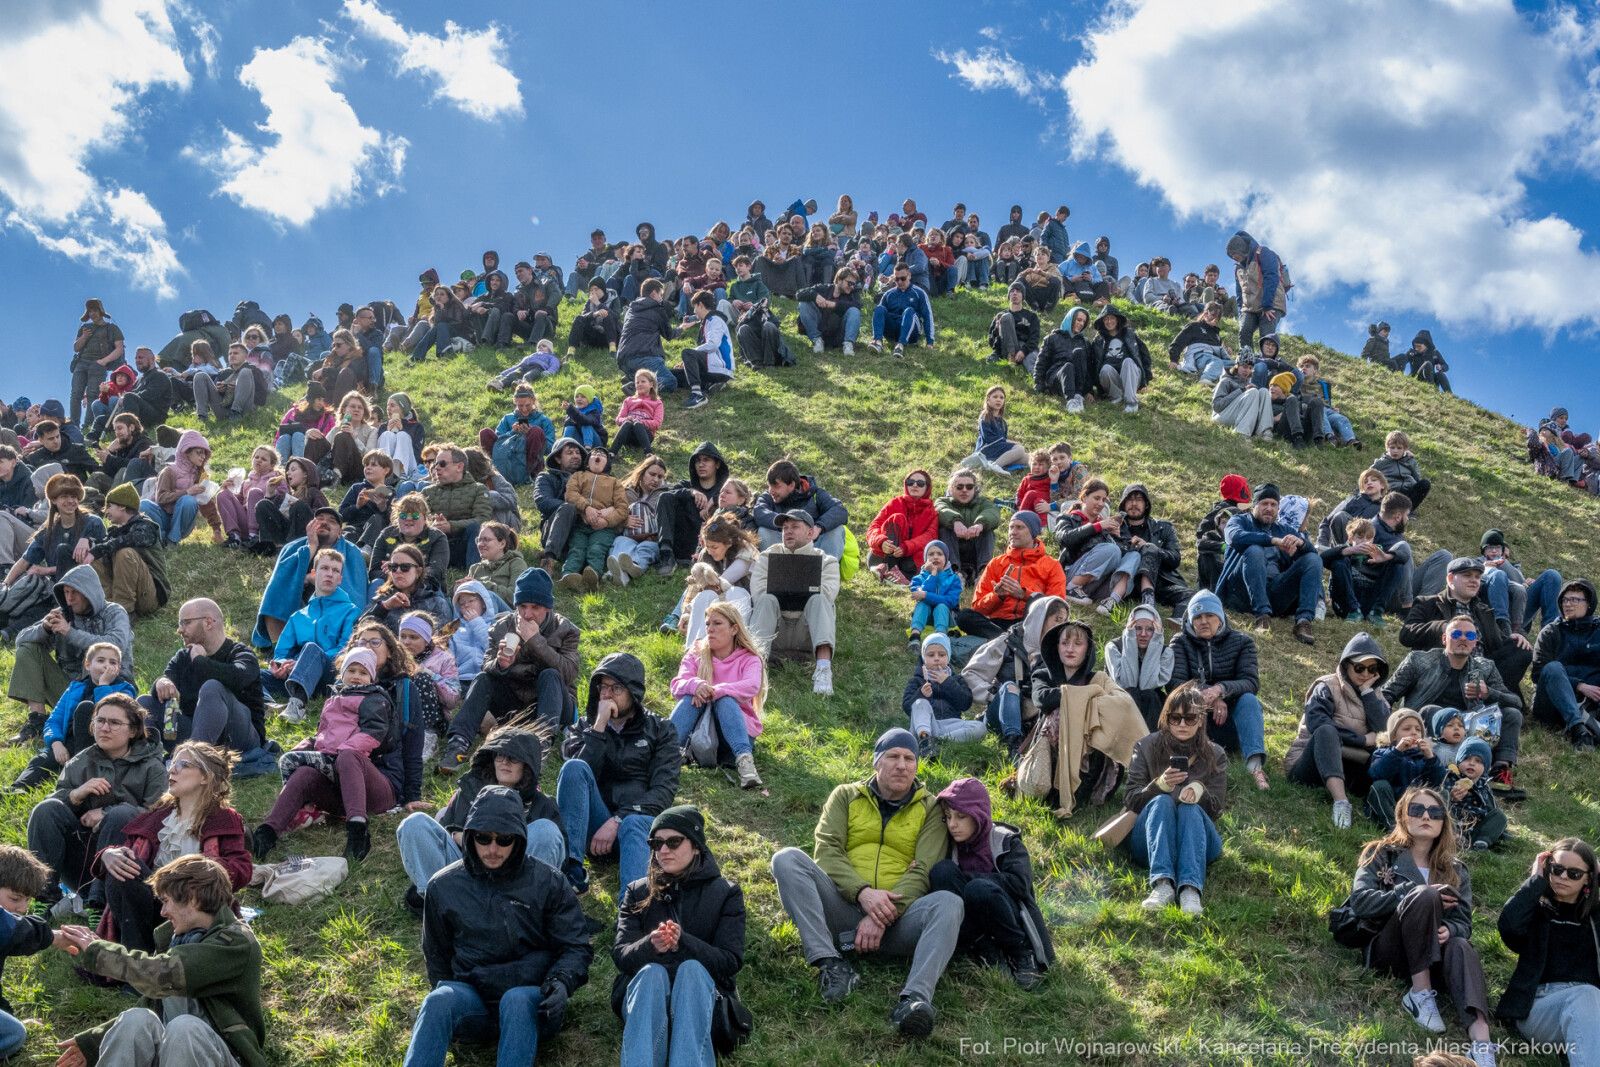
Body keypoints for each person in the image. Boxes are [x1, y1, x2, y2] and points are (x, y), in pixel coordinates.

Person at [768, 728, 961, 1038]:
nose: (902, 765)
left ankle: (913, 1000)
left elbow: (924, 868)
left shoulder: (930, 808)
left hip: (899, 923)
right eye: (893, 756)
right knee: (787, 858)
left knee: (950, 902)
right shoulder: (845, 795)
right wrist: (863, 894)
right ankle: (832, 964)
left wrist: (882, 913)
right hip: (842, 907)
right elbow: (827, 851)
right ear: (876, 762)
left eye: (910, 758)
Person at [407, 785, 592, 1067]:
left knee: (516, 1001)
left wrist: (561, 983)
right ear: (470, 836)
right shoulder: (442, 886)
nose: (492, 849)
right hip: (473, 999)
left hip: (532, 999)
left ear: (518, 839)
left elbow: (575, 946)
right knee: (438, 999)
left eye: (504, 839)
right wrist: (454, 997)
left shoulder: (549, 882)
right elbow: (437, 954)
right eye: (483, 838)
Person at [55, 854, 267, 1067]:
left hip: (227, 1057)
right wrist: (91, 1043)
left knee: (185, 1028)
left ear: (193, 898)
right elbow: (153, 1004)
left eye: (166, 902)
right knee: (136, 1018)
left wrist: (98, 950)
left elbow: (161, 974)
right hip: (177, 1053)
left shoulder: (236, 942)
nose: (163, 912)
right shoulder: (180, 940)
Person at [1345, 786, 1494, 1063]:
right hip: (1390, 950)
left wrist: (1450, 930)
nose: (1426, 816)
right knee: (1425, 893)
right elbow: (1361, 901)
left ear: (1443, 822)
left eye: (1435, 812)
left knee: (1461, 945)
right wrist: (1411, 892)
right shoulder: (1381, 853)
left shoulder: (1456, 869)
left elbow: (1464, 923)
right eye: (1417, 810)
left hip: (1436, 955)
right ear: (1403, 816)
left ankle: (1482, 1042)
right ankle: (1420, 993)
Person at [612, 804, 748, 1067]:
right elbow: (621, 957)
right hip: (645, 999)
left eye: (673, 842)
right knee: (652, 972)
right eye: (656, 843)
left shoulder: (726, 893)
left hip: (702, 999)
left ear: (696, 845)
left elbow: (730, 962)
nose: (663, 850)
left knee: (692, 971)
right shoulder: (637, 892)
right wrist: (649, 945)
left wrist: (684, 942)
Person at [93, 741, 251, 952]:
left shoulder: (223, 818)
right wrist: (108, 855)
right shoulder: (159, 814)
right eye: (172, 763)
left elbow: (241, 870)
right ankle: (136, 960)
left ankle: (149, 961)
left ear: (205, 777)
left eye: (183, 764)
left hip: (194, 908)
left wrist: (197, 870)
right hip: (152, 906)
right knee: (122, 866)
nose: (172, 770)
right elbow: (131, 855)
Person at [398, 725, 564, 913]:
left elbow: (555, 855)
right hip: (464, 882)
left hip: (516, 890)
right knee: (414, 823)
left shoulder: (542, 804)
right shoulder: (469, 792)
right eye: (499, 755)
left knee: (546, 831)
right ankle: (448, 910)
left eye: (514, 757)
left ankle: (518, 914)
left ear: (527, 764)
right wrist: (458, 837)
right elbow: (442, 836)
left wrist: (477, 838)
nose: (505, 762)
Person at [556, 651, 681, 894]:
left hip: (638, 827)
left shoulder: (661, 729)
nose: (607, 694)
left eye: (616, 688)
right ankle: (571, 871)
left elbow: (663, 791)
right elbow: (576, 779)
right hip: (593, 825)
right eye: (603, 687)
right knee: (574, 767)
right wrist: (599, 727)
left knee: (633, 823)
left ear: (633, 693)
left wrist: (618, 820)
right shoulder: (584, 728)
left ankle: (631, 913)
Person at [26, 692, 164, 907]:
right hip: (82, 860)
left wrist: (107, 813)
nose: (105, 728)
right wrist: (76, 794)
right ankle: (45, 896)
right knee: (46, 809)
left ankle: (99, 904)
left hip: (130, 864)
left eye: (115, 722)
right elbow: (52, 811)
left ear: (133, 730)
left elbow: (159, 816)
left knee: (120, 813)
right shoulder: (80, 762)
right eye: (100, 720)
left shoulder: (152, 767)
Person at [437, 567, 580, 772]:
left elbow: (569, 673)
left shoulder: (566, 629)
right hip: (515, 705)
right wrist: (501, 664)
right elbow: (487, 665)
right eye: (522, 606)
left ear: (548, 607)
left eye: (535, 607)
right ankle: (458, 745)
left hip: (554, 705)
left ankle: (540, 747)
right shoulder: (501, 627)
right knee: (484, 678)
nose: (527, 614)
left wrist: (535, 640)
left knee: (551, 674)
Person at [928, 777, 1051, 989]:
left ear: (979, 816)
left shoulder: (1006, 841)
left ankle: (1021, 954)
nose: (952, 825)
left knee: (979, 890)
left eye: (961, 817)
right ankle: (987, 951)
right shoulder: (948, 845)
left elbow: (1019, 884)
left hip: (1009, 916)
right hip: (973, 923)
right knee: (941, 872)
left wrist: (969, 879)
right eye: (947, 817)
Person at [1119, 684, 1228, 915]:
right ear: (1166, 719)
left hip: (1198, 842)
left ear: (1201, 719)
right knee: (1161, 801)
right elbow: (1130, 799)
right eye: (1175, 717)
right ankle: (1163, 884)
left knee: (1190, 809)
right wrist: (1159, 786)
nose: (1181, 724)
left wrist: (1200, 791)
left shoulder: (1215, 753)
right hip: (1151, 839)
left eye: (1189, 718)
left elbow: (1217, 810)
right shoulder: (1146, 746)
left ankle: (1190, 889)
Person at [1496, 838, 1600, 1067]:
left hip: (1592, 1010)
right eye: (1557, 869)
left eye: (1574, 873)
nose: (1563, 877)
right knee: (1585, 995)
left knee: (1589, 998)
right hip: (1539, 1008)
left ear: (1588, 878)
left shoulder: (1595, 919)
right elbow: (1508, 927)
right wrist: (1535, 882)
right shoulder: (1536, 912)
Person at [8, 562, 131, 746]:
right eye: (66, 593)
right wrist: (44, 629)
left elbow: (116, 644)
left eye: (74, 592)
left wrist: (69, 632)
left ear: (89, 591)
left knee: (93, 661)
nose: (70, 599)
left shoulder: (114, 612)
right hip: (69, 693)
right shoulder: (62, 614)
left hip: (111, 692)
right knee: (28, 648)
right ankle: (37, 721)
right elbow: (20, 640)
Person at [1286, 634, 1390, 828]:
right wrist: (1361, 740)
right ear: (1346, 666)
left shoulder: (1377, 698)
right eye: (1359, 668)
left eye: (1372, 669)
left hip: (1352, 766)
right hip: (1309, 765)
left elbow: (1385, 732)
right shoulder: (1325, 686)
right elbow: (1317, 723)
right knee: (1326, 730)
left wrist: (1368, 693)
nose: (1365, 674)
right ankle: (1341, 802)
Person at [1169, 590, 1270, 790]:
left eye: (1210, 616)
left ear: (1220, 618)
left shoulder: (1242, 642)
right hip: (1195, 721)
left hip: (1231, 721)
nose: (1204, 621)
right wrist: (1208, 695)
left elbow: (1250, 682)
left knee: (1250, 700)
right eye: (1198, 617)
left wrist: (1220, 689)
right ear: (1190, 620)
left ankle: (1255, 767)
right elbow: (1175, 683)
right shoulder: (1179, 642)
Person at [141, 598, 265, 754]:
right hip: (197, 735)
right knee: (145, 702)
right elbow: (166, 681)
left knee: (212, 688)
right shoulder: (182, 657)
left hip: (239, 740)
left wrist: (201, 661)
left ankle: (192, 760)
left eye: (186, 623)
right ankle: (146, 761)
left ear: (208, 622)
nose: (180, 629)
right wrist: (162, 682)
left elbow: (236, 678)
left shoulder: (242, 654)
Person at [9, 641, 134, 793]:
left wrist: (103, 686)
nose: (106, 666)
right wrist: (56, 743)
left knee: (86, 708)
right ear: (88, 665)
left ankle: (79, 769)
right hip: (70, 742)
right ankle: (17, 789)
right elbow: (54, 720)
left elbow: (111, 715)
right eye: (100, 660)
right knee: (40, 760)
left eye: (112, 662)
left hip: (99, 746)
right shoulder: (75, 688)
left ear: (118, 669)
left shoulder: (126, 690)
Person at [668, 601, 767, 789]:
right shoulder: (696, 652)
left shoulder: (750, 658)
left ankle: (745, 763)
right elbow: (677, 684)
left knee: (726, 700)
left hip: (732, 739)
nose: (710, 629)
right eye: (707, 624)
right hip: (699, 737)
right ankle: (665, 755)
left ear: (734, 629)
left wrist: (716, 691)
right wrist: (696, 685)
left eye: (717, 623)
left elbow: (751, 686)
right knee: (690, 697)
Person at [1401, 556, 1533, 693]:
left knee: (1521, 650)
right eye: (1467, 575)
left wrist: (1514, 638)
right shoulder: (1428, 603)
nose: (1474, 581)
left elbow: (1497, 643)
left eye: (1477, 577)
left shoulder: (1484, 611)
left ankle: (1491, 696)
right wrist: (1441, 627)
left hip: (1480, 672)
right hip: (1444, 672)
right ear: (1450, 579)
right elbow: (1406, 634)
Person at [259, 548, 361, 723]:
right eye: (325, 568)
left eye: (335, 571)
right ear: (314, 573)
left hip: (329, 674)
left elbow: (345, 649)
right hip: (295, 676)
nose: (329, 574)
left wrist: (301, 663)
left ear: (340, 579)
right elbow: (281, 652)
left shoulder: (351, 611)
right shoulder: (298, 617)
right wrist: (283, 665)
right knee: (252, 670)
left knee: (311, 649)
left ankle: (296, 707)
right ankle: (268, 705)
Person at [749, 511, 840, 696]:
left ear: (810, 533)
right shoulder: (767, 557)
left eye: (795, 527)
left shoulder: (827, 562)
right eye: (785, 528)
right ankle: (754, 671)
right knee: (766, 600)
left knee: (820, 600)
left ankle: (823, 670)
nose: (788, 532)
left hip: (807, 632)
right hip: (775, 630)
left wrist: (791, 584)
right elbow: (758, 593)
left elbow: (828, 594)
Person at [1219, 483, 1321, 644]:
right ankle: (1262, 616)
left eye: (1273, 504)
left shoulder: (1285, 530)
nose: (1269, 508)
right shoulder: (1239, 520)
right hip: (1240, 592)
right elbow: (1235, 537)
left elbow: (1312, 560)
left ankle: (1303, 621)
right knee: (1254, 550)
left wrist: (1302, 544)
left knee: (1313, 559)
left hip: (1274, 593)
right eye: (1264, 503)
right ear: (1255, 505)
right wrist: (1272, 541)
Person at [954, 512, 1065, 640]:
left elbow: (1057, 607)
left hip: (1029, 621)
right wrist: (997, 596)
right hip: (996, 623)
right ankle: (1009, 641)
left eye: (1019, 527)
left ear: (1033, 532)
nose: (1013, 532)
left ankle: (1003, 641)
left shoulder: (1052, 565)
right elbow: (978, 607)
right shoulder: (996, 563)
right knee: (964, 616)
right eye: (1011, 527)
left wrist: (1025, 595)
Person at [1531, 579, 1600, 748]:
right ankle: (1579, 729)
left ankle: (1588, 722)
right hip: (1553, 704)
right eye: (1565, 600)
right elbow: (1539, 674)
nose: (1568, 604)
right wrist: (1579, 685)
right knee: (1553, 668)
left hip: (1593, 701)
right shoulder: (1550, 632)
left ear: (1589, 604)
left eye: (1575, 600)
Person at [90, 482, 168, 620]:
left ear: (122, 507)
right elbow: (102, 547)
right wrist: (88, 544)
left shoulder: (146, 526)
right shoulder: (117, 532)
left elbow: (130, 539)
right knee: (96, 557)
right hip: (130, 592)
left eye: (109, 506)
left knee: (125, 553)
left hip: (151, 595)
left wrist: (100, 548)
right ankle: (109, 608)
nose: (106, 511)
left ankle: (124, 612)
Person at [902, 632, 980, 760]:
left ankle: (937, 742)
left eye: (942, 654)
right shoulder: (916, 681)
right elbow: (907, 707)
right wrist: (920, 694)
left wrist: (947, 682)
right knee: (920, 703)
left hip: (952, 726)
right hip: (926, 726)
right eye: (931, 655)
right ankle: (925, 739)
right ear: (923, 657)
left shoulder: (957, 679)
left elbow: (965, 703)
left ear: (948, 657)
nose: (936, 658)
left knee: (979, 727)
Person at [752, 460, 849, 561]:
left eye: (776, 486)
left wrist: (819, 527)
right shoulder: (768, 496)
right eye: (769, 486)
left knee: (837, 529)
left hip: (814, 548)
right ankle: (777, 572)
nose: (771, 491)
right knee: (764, 531)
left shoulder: (815, 494)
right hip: (783, 549)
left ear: (792, 485)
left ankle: (824, 571)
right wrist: (787, 527)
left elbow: (839, 510)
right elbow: (759, 512)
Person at [1322, 513, 1406, 626]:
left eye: (1369, 538)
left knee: (1397, 565)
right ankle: (1354, 611)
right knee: (1339, 562)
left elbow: (1404, 556)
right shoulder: (1346, 553)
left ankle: (1376, 612)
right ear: (1351, 539)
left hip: (1368, 604)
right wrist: (1350, 550)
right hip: (1346, 606)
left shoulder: (1378, 554)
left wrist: (1386, 557)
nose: (1365, 541)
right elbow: (1322, 558)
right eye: (1360, 537)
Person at [1479, 528, 1564, 637]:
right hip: (1492, 613)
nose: (1494, 551)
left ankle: (1551, 632)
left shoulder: (1512, 568)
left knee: (1552, 575)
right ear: (1483, 550)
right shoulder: (1476, 564)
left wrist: (1504, 565)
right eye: (1490, 548)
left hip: (1517, 614)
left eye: (1498, 548)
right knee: (1498, 575)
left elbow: (1521, 588)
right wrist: (1485, 570)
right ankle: (1502, 624)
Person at [422, 445, 493, 572]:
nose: (436, 467)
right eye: (435, 463)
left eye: (442, 464)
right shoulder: (427, 492)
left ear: (459, 466)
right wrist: (434, 524)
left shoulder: (478, 489)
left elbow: (483, 519)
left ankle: (474, 574)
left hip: (464, 547)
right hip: (436, 544)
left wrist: (450, 526)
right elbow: (421, 519)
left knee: (476, 528)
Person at [1105, 603, 1175, 730]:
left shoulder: (1166, 653)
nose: (1143, 634)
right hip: (1120, 702)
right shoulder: (1114, 648)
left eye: (1150, 629)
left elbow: (1146, 685)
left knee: (1150, 695)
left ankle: (1152, 745)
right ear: (1129, 628)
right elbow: (1128, 683)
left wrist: (1155, 644)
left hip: (1152, 707)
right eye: (1137, 628)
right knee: (1132, 693)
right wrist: (1130, 640)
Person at [867, 469, 937, 585]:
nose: (915, 485)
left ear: (927, 488)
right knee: (897, 518)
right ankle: (889, 568)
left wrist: (906, 547)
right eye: (911, 482)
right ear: (906, 484)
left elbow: (930, 537)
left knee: (923, 552)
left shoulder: (932, 513)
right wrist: (881, 541)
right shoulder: (894, 503)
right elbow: (873, 527)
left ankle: (889, 573)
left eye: (920, 483)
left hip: (909, 560)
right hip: (882, 556)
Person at [934, 468, 1000, 587]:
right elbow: (941, 509)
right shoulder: (943, 501)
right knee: (945, 530)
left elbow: (992, 513)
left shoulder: (983, 502)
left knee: (987, 531)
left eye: (969, 487)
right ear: (951, 489)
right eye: (959, 487)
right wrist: (955, 522)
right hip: (953, 551)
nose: (964, 490)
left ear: (975, 489)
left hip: (976, 551)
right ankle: (954, 573)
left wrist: (980, 525)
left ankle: (983, 573)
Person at [361, 543, 450, 632]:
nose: (398, 571)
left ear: (419, 571)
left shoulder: (436, 603)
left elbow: (442, 639)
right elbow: (359, 630)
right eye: (394, 567)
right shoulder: (382, 599)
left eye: (405, 567)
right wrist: (385, 607)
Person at [615, 278, 682, 393]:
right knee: (670, 381)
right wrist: (682, 328)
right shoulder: (657, 309)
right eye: (660, 295)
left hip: (623, 359)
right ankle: (635, 387)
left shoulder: (631, 310)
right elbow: (669, 334)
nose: (661, 298)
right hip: (645, 356)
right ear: (653, 294)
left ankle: (632, 377)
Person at [1226, 229, 1287, 352]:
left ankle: (1266, 366)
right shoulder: (1238, 267)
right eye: (1231, 256)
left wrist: (1267, 305)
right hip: (1249, 307)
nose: (1234, 257)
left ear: (1242, 248)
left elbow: (1272, 277)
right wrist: (1240, 311)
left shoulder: (1264, 253)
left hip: (1271, 304)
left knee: (1266, 335)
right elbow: (1239, 292)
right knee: (1244, 331)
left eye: (1235, 254)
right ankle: (1246, 364)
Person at [69, 299, 126, 429]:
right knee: (76, 394)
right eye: (90, 311)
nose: (92, 314)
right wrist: (84, 337)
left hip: (99, 364)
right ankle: (73, 425)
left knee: (93, 394)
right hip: (81, 362)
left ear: (100, 311)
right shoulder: (85, 328)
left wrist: (103, 361)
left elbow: (119, 348)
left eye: (94, 310)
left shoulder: (112, 328)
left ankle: (88, 425)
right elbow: (76, 348)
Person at [1090, 305, 1152, 415]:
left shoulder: (1129, 334)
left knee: (1128, 361)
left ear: (1117, 319)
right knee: (1106, 368)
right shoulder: (1098, 340)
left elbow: (1144, 355)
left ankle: (1132, 403)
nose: (1109, 321)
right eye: (1106, 319)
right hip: (1110, 380)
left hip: (1131, 377)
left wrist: (1145, 379)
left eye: (1112, 318)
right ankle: (1116, 397)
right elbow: (1092, 363)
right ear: (1102, 322)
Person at [869, 263, 935, 360]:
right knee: (879, 308)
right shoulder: (888, 294)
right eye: (896, 279)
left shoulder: (919, 293)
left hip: (912, 331)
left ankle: (900, 346)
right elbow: (879, 316)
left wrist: (930, 342)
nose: (899, 282)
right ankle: (878, 342)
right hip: (892, 329)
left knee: (909, 311)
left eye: (903, 278)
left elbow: (928, 316)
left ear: (909, 276)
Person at [1034, 306, 1094, 411]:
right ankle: (1071, 401)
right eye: (1078, 320)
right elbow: (1041, 363)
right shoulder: (1052, 338)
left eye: (1084, 322)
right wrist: (1039, 384)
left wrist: (1089, 391)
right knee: (1068, 366)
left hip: (1077, 382)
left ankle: (1078, 396)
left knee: (1079, 352)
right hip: (1057, 379)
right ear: (1070, 318)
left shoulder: (1084, 342)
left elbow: (1088, 368)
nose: (1081, 324)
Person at [797, 269, 863, 356]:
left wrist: (835, 305)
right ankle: (817, 340)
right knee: (804, 304)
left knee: (854, 310)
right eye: (850, 283)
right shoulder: (824, 288)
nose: (852, 287)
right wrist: (815, 296)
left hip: (839, 334)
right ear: (839, 280)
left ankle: (848, 344)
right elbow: (799, 294)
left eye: (854, 284)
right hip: (820, 329)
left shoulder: (852, 294)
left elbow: (858, 305)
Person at [965, 384, 1027, 475]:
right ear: (988, 400)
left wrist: (1008, 444)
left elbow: (1003, 444)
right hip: (986, 450)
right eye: (995, 397)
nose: (998, 400)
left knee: (1029, 457)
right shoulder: (985, 417)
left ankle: (998, 464)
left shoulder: (1003, 423)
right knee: (1020, 449)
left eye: (1001, 398)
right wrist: (1010, 442)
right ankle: (995, 466)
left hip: (998, 451)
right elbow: (989, 438)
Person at [1375, 430, 1432, 514]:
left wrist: (1411, 461)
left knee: (1425, 484)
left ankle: (1409, 511)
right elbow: (1366, 476)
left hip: (1407, 491)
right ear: (1387, 448)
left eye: (1399, 448)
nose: (1395, 451)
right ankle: (1391, 509)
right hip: (1390, 492)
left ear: (1405, 449)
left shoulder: (1409, 461)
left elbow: (1417, 477)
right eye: (1392, 447)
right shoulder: (1381, 462)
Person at [986, 285, 1041, 370]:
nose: (1014, 293)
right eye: (1012, 291)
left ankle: (1040, 381)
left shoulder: (1031, 316)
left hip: (1024, 348)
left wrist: (1023, 351)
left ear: (1023, 295)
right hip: (1005, 349)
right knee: (1007, 317)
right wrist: (997, 329)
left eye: (1018, 291)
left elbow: (1035, 338)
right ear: (1009, 295)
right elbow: (991, 342)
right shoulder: (1001, 316)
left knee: (1033, 360)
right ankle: (1011, 355)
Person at [614, 370, 664, 454]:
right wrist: (626, 419)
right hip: (627, 435)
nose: (639, 384)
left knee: (638, 424)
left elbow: (657, 423)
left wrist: (641, 422)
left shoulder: (657, 403)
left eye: (643, 381)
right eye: (637, 382)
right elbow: (618, 419)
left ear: (651, 384)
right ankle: (612, 453)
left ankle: (648, 453)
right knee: (627, 423)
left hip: (645, 436)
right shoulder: (628, 400)